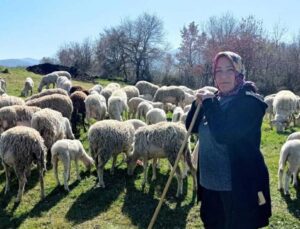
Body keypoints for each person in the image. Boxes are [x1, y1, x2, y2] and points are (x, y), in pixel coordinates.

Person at [185, 51, 271, 229]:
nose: (223, 76)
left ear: (239, 73)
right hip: (209, 183)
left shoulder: (250, 103)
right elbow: (192, 128)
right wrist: (197, 104)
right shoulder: (215, 99)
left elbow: (225, 134)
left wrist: (209, 104)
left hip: (237, 187)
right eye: (218, 71)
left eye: (229, 70)